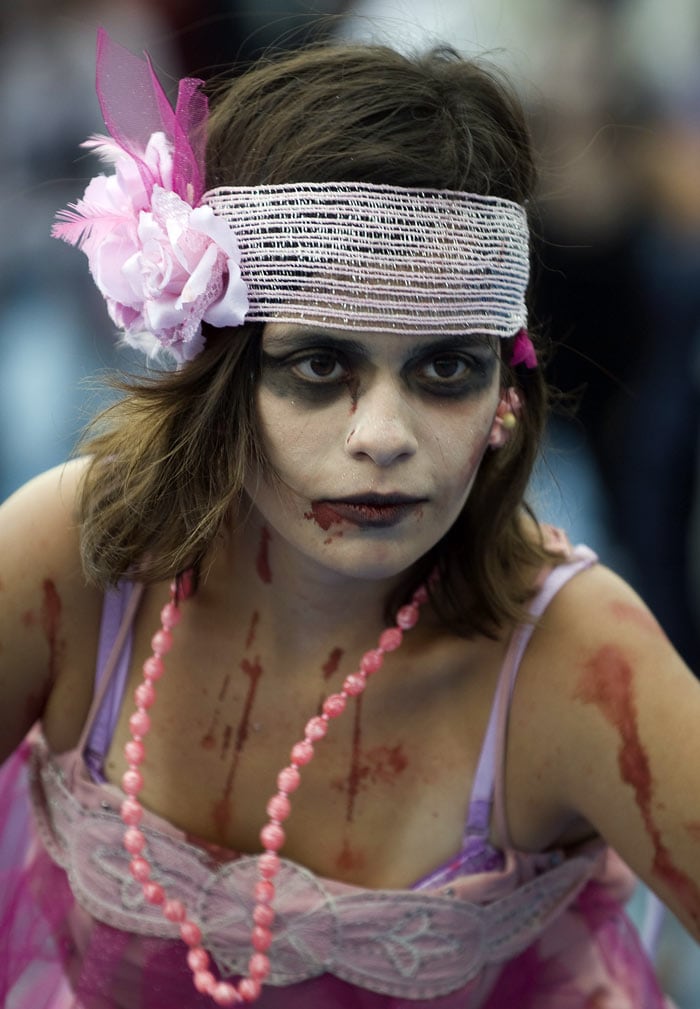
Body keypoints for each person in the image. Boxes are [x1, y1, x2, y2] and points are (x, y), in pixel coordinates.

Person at [0, 27, 698, 1009]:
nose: (383, 435)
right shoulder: (76, 559)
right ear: (223, 374)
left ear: (507, 389)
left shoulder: (574, 659)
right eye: (320, 365)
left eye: (445, 368)